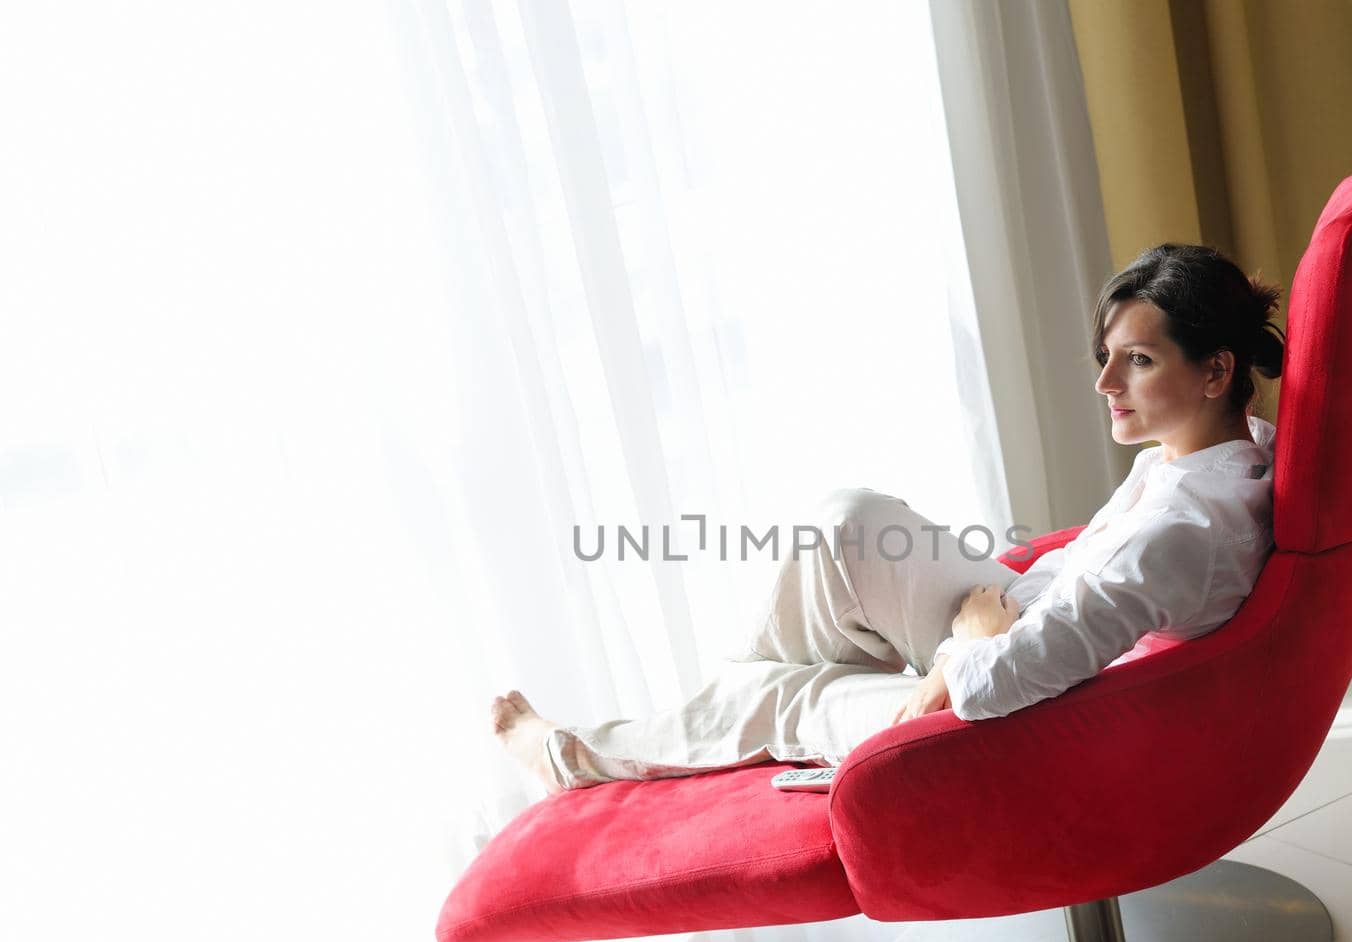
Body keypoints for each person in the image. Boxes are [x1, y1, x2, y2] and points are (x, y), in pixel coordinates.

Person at [492, 243, 1285, 794]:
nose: (1105, 380)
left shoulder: (1182, 526)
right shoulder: (1207, 451)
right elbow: (1083, 582)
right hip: (1022, 625)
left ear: (1217, 370)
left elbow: (1013, 675)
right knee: (852, 523)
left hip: (1037, 716)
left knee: (787, 694)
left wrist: (966, 644)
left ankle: (582, 754)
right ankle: (747, 711)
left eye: (1138, 361)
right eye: (1107, 355)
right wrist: (988, 612)